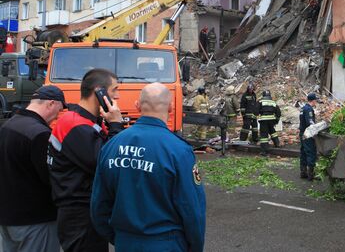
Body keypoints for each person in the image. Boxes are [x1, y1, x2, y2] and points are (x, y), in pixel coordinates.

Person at [91, 83, 206, 252]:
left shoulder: (112, 145)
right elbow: (192, 210)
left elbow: (98, 205)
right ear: (171, 107)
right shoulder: (178, 151)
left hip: (125, 243)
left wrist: (119, 237)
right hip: (166, 244)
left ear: (137, 105)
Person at [48, 68, 124, 252]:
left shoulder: (84, 122)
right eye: (115, 90)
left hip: (83, 211)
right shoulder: (76, 125)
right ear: (99, 91)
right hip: (79, 215)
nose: (118, 96)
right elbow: (109, 163)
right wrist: (115, 125)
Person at [0, 86, 67, 252]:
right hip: (35, 220)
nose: (56, 117)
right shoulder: (40, 134)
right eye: (58, 111)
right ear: (51, 103)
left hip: (8, 216)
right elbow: (51, 177)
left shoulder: (9, 125)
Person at [299, 93, 318, 181]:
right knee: (311, 151)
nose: (316, 102)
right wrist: (317, 129)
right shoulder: (309, 109)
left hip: (302, 133)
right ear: (313, 101)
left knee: (303, 152)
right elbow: (310, 122)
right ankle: (311, 174)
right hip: (308, 134)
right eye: (316, 101)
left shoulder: (303, 108)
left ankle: (303, 172)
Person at [258, 90, 281, 156]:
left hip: (263, 120)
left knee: (264, 135)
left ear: (263, 95)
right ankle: (277, 143)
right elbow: (278, 113)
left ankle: (264, 151)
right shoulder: (273, 102)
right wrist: (276, 120)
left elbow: (256, 111)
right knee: (272, 132)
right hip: (271, 120)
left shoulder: (260, 102)